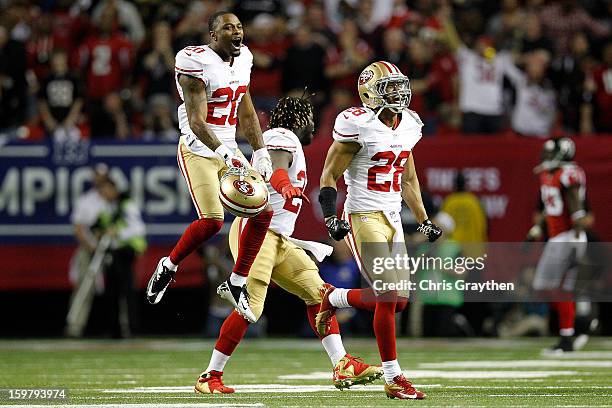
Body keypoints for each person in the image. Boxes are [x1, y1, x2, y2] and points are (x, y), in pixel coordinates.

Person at [196, 96, 381, 394]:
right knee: (250, 308)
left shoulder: (281, 138)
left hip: (279, 238)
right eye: (310, 120)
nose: (314, 127)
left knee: (320, 296)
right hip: (258, 232)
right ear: (300, 120)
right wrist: (285, 186)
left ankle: (342, 363)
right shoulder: (282, 136)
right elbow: (278, 167)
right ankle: (210, 375)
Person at [316, 61, 442, 400]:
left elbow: (409, 178)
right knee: (387, 296)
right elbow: (328, 175)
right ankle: (393, 376)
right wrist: (331, 217)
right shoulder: (357, 125)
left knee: (398, 302)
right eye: (390, 88)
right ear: (371, 94)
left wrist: (424, 218)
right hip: (363, 214)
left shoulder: (409, 124)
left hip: (393, 216)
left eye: (400, 86)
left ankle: (333, 297)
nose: (399, 93)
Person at [146, 12, 273, 324]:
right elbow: (196, 121)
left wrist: (260, 150)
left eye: (240, 26)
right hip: (198, 148)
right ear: (213, 35)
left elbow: (246, 108)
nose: (236, 32)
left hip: (228, 147)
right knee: (213, 221)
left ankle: (237, 282)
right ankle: (169, 266)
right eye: (228, 27)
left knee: (265, 212)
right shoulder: (194, 62)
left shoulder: (244, 59)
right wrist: (225, 154)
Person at [527, 137, 589, 353]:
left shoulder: (568, 173)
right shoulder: (548, 174)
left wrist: (577, 234)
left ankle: (568, 336)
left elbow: (575, 204)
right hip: (559, 237)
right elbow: (551, 205)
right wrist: (538, 228)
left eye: (549, 153)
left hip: (567, 237)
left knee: (548, 287)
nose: (545, 157)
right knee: (560, 290)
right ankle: (576, 328)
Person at [94, 177, 146, 338]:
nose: (104, 194)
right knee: (111, 291)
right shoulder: (107, 207)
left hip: (126, 251)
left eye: (106, 190)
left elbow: (139, 229)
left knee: (127, 290)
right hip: (113, 252)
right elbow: (98, 227)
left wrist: (118, 233)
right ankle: (114, 330)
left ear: (114, 189)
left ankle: (132, 328)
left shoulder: (127, 205)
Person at [64, 164, 113, 338]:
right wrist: (91, 246)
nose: (100, 181)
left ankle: (113, 327)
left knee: (113, 288)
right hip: (89, 250)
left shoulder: (112, 201)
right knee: (84, 288)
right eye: (97, 177)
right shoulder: (86, 200)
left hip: (110, 251)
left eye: (103, 177)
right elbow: (78, 228)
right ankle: (75, 326)